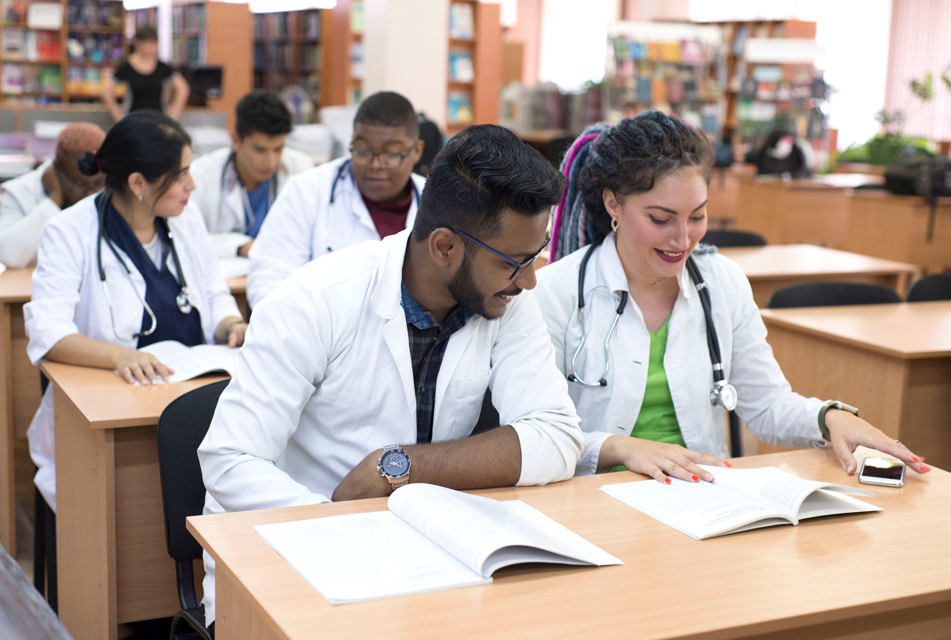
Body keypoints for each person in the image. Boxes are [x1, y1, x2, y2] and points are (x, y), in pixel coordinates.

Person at [198, 124, 584, 627]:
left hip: (423, 558)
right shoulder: (317, 300)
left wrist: (398, 466)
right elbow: (230, 459)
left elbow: (556, 437)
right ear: (444, 247)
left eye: (537, 256)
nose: (531, 279)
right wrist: (339, 524)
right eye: (515, 262)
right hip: (295, 554)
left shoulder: (505, 299)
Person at [535, 111, 929, 483]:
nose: (683, 239)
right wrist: (618, 447)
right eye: (661, 219)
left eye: (697, 216)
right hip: (594, 502)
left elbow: (768, 404)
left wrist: (828, 417)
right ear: (613, 204)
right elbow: (536, 432)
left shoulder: (722, 283)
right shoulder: (556, 292)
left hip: (703, 496)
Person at [23, 110, 247, 512]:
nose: (191, 185)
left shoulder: (185, 218)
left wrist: (231, 324)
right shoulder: (70, 231)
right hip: (120, 412)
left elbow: (213, 294)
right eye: (180, 175)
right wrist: (121, 356)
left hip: (193, 395)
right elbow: (49, 332)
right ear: (138, 183)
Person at [246, 90, 425, 307]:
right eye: (363, 150)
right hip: (318, 336)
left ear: (416, 151)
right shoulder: (307, 191)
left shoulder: (437, 203)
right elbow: (268, 279)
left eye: (390, 154)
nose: (375, 165)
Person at [189, 90, 314, 258]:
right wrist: (241, 246)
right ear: (235, 140)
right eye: (260, 150)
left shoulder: (301, 170)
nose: (271, 162)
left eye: (278, 149)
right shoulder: (201, 175)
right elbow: (187, 238)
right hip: (229, 281)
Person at [0, 123, 106, 268]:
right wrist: (53, 201)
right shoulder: (20, 191)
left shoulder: (114, 189)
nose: (90, 193)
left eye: (97, 184)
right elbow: (9, 256)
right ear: (56, 170)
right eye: (79, 185)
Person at [101, 25, 189, 122]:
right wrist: (118, 116)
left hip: (158, 121)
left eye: (153, 43)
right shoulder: (127, 67)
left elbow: (183, 88)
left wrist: (173, 115)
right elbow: (106, 90)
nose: (151, 47)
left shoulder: (162, 67)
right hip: (133, 121)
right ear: (138, 43)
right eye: (147, 43)